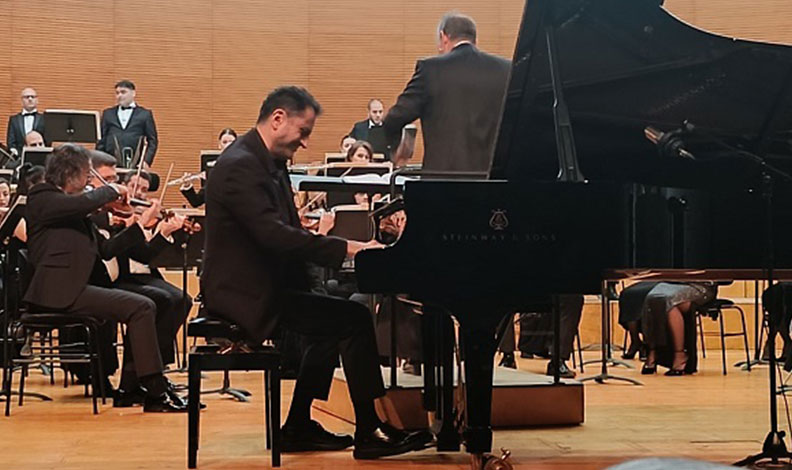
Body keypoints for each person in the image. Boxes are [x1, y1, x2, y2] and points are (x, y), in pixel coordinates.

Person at [201, 86, 431, 459]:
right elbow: (273, 235)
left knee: (330, 315)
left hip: (267, 283)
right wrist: (351, 248)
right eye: (303, 131)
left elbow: (281, 229)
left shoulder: (263, 160)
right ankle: (370, 430)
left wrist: (320, 242)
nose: (305, 143)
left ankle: (298, 426)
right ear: (278, 119)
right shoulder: (240, 164)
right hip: (244, 294)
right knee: (353, 317)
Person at [23, 143, 185, 412]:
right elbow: (82, 202)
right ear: (71, 172)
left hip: (76, 289)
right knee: (142, 306)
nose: (89, 180)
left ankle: (140, 387)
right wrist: (112, 190)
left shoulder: (75, 210)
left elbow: (107, 249)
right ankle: (154, 391)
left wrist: (139, 225)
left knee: (144, 305)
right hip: (57, 292)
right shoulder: (42, 197)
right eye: (87, 174)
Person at [383, 12, 510, 171]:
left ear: (444, 37)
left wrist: (396, 150)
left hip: (442, 178)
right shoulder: (505, 69)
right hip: (492, 179)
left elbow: (396, 117)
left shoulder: (431, 69)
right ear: (475, 40)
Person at [97, 80, 159, 167]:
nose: (119, 96)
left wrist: (146, 161)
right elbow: (101, 140)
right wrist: (100, 162)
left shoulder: (145, 114)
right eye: (117, 93)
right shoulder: (108, 113)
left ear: (133, 93)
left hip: (136, 163)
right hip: (111, 163)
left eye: (123, 92)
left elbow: (152, 141)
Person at [179, 128, 237, 208]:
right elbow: (196, 201)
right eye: (224, 142)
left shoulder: (246, 168)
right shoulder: (212, 170)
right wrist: (187, 185)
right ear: (219, 145)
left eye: (232, 142)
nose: (228, 145)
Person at [7, 87, 47, 158]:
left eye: (33, 97)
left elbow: (47, 141)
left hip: (40, 157)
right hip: (19, 158)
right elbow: (11, 142)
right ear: (21, 101)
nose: (30, 99)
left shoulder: (44, 118)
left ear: (37, 100)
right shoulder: (14, 120)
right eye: (27, 97)